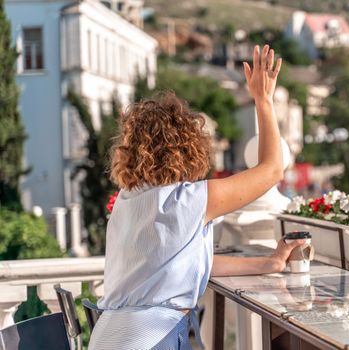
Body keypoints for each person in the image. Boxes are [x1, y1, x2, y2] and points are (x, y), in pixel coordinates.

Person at [88, 45, 305, 350]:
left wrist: (270, 262)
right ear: (189, 147)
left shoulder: (127, 201)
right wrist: (263, 100)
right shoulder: (189, 200)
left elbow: (188, 264)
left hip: (110, 337)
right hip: (152, 340)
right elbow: (272, 169)